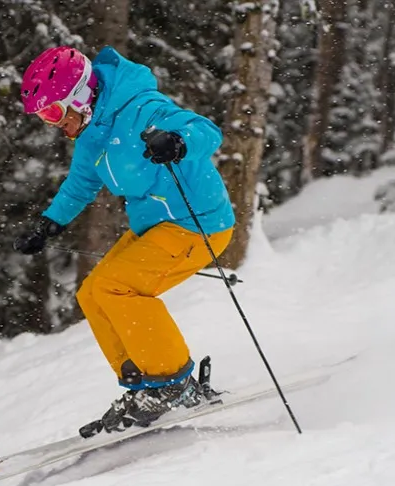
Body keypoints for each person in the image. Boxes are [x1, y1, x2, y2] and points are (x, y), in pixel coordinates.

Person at [14, 45, 235, 437]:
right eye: (44, 117)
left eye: (53, 112)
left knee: (118, 287)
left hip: (197, 223)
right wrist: (50, 224)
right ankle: (143, 385)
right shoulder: (90, 135)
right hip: (155, 228)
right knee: (92, 292)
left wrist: (178, 141)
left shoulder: (142, 108)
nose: (53, 124)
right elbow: (81, 184)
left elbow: (207, 131)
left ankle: (174, 384)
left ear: (81, 96)